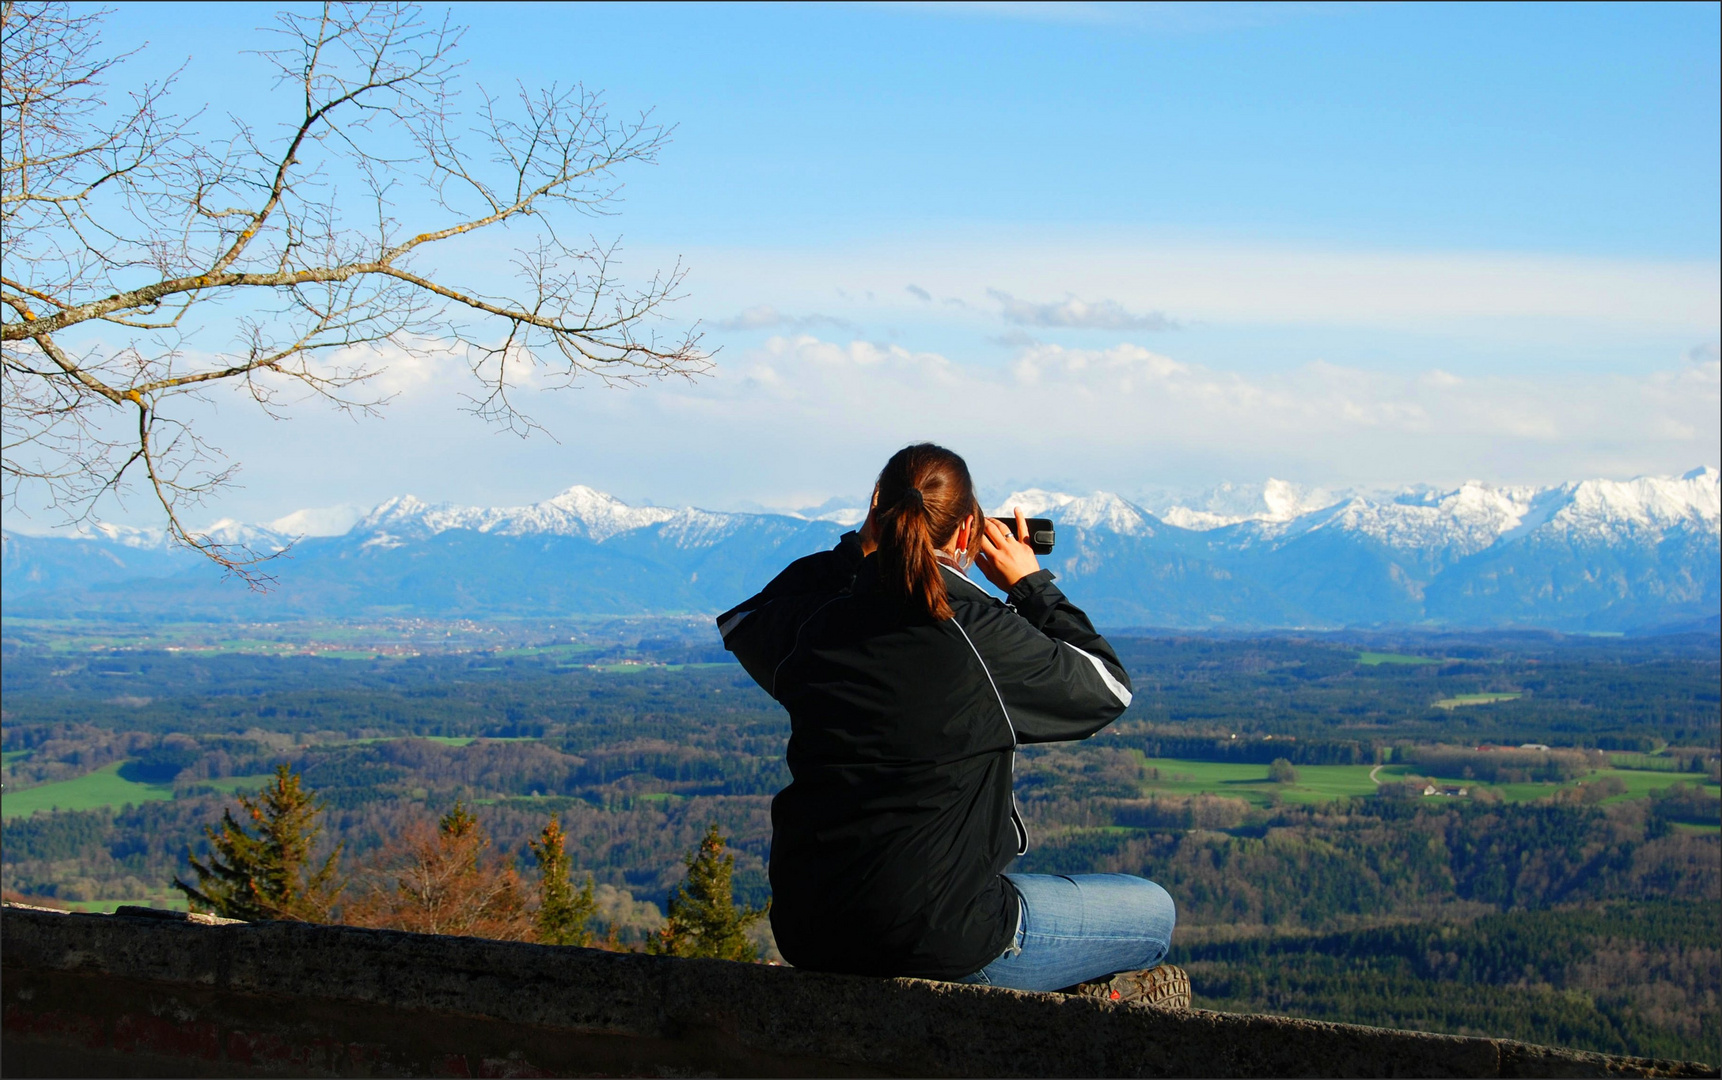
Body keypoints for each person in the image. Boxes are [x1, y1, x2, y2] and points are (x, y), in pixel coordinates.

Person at [716, 443, 1186, 1005]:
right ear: (967, 532)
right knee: (1153, 912)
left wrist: (863, 549)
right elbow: (1108, 688)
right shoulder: (977, 633)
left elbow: (746, 619)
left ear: (876, 510)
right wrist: (1029, 584)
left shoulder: (817, 625)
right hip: (942, 940)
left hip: (810, 931)